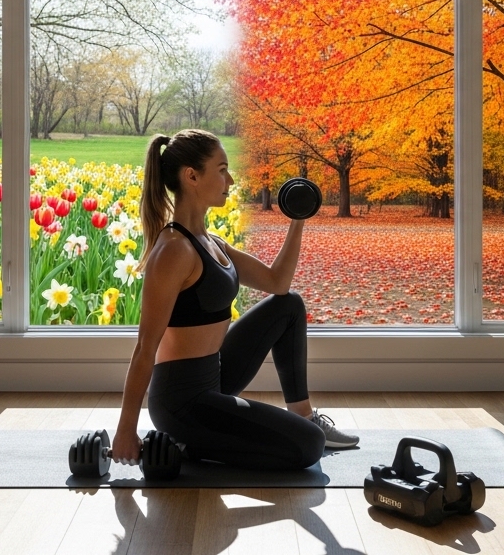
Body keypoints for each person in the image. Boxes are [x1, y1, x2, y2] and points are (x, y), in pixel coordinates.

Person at [110, 129, 359, 471]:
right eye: (222, 169)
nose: (230, 178)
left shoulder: (211, 241)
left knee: (288, 306)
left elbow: (277, 283)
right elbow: (144, 347)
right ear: (192, 176)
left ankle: (303, 414)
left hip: (217, 375)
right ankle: (191, 444)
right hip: (183, 401)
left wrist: (298, 218)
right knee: (308, 447)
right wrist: (126, 431)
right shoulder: (173, 251)